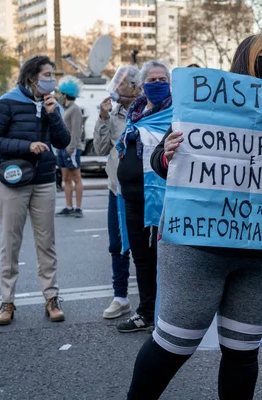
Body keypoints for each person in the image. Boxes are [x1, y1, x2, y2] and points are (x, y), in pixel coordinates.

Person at [127, 33, 262, 399]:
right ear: (245, 59)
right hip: (197, 249)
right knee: (173, 346)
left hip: (260, 254)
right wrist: (168, 154)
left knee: (243, 351)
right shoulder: (208, 102)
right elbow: (160, 163)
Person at [0, 55, 70, 325]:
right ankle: (7, 302)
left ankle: (51, 298)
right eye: (47, 74)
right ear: (32, 78)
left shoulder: (51, 105)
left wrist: (53, 115)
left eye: (53, 74)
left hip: (43, 180)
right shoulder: (6, 102)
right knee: (9, 243)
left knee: (47, 243)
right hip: (12, 182)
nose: (51, 79)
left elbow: (63, 141)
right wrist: (26, 146)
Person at [115, 61, 172, 333]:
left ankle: (168, 313)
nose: (158, 83)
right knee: (142, 259)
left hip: (162, 200)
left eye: (163, 79)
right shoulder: (134, 113)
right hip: (131, 199)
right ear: (142, 85)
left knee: (163, 258)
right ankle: (147, 311)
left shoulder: (175, 114)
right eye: (153, 79)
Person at [94, 65, 140, 319]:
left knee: (147, 246)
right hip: (117, 190)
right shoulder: (113, 115)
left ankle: (151, 300)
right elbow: (101, 149)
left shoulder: (148, 112)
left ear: (135, 87)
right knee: (118, 245)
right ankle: (120, 297)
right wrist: (102, 118)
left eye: (121, 84)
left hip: (144, 191)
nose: (115, 88)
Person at [56, 76, 85, 218]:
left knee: (76, 177)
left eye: (61, 93)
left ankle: (78, 208)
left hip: (71, 149)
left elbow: (76, 131)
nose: (59, 96)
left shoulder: (75, 109)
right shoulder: (64, 109)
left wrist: (70, 149)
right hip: (62, 148)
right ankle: (68, 206)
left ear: (66, 94)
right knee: (65, 178)